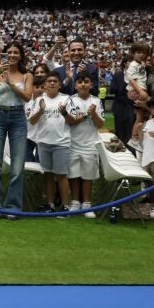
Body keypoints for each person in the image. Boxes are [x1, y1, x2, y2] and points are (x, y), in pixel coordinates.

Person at [28, 72, 75, 215]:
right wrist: (41, 111)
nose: (52, 83)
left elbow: (72, 122)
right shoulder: (39, 100)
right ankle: (50, 205)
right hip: (43, 142)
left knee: (61, 175)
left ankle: (66, 206)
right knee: (47, 175)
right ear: (45, 85)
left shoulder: (67, 99)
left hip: (61, 142)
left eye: (55, 81)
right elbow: (32, 121)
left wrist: (65, 113)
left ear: (60, 84)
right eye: (49, 81)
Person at [66, 73, 104, 219]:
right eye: (80, 82)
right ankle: (75, 202)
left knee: (87, 176)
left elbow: (100, 124)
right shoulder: (70, 100)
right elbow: (69, 121)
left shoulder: (96, 101)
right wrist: (85, 116)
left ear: (91, 85)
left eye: (86, 82)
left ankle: (87, 204)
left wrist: (93, 113)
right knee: (74, 174)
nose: (83, 84)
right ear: (75, 85)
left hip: (90, 143)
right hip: (72, 142)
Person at [125, 42, 149, 150]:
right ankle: (134, 139)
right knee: (140, 117)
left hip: (140, 90)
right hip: (138, 91)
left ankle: (136, 138)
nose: (142, 55)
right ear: (133, 54)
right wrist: (141, 92)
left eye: (144, 53)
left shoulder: (140, 64)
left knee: (141, 116)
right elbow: (132, 80)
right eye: (139, 52)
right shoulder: (133, 64)